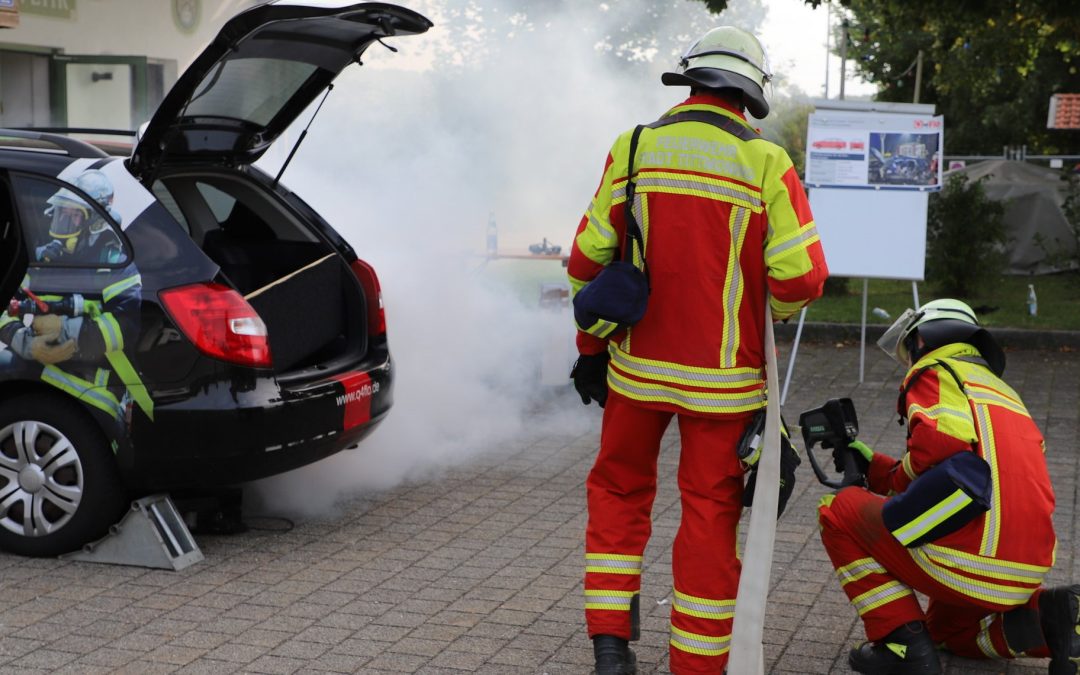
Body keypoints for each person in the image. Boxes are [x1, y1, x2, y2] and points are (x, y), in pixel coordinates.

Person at [567, 26, 828, 675]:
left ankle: (609, 646)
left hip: (635, 372)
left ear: (691, 79)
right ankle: (697, 663)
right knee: (709, 515)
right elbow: (801, 278)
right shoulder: (766, 162)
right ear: (749, 93)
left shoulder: (634, 146)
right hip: (724, 384)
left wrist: (591, 346)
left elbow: (585, 259)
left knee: (618, 491)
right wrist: (766, 308)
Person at [818, 298, 1079, 674]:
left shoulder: (936, 370)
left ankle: (899, 646)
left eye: (909, 348)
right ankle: (1055, 618)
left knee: (837, 510)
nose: (909, 359)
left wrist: (880, 480)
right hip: (1024, 570)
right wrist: (876, 467)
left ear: (922, 338)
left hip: (966, 556)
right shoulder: (1005, 394)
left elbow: (940, 448)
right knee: (946, 633)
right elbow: (953, 465)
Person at [0, 169, 152, 424]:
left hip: (97, 387)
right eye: (62, 215)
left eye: (73, 217)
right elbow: (5, 307)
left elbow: (124, 326)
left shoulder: (115, 263)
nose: (63, 225)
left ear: (95, 222)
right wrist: (24, 342)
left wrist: (64, 331)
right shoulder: (42, 258)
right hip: (43, 376)